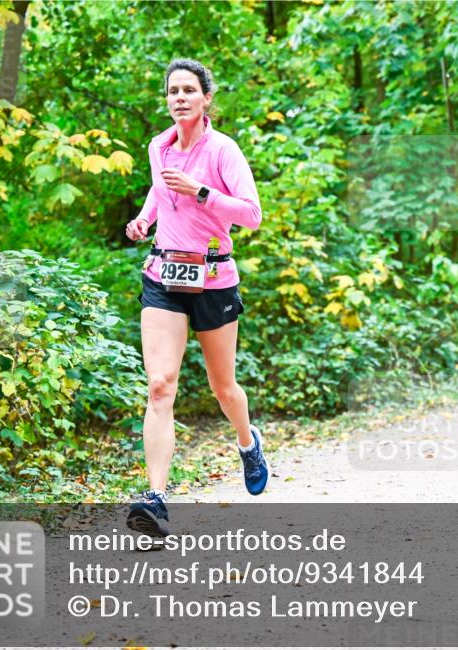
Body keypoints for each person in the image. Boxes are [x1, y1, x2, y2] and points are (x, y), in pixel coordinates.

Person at [123, 59, 267, 538]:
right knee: (161, 385)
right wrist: (145, 219)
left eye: (189, 90)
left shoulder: (223, 151)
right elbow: (160, 191)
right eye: (172, 90)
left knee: (223, 387)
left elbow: (251, 215)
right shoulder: (158, 146)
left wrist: (203, 192)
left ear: (206, 98)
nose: (179, 97)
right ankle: (156, 500)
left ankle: (248, 444)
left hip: (213, 279)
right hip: (164, 275)